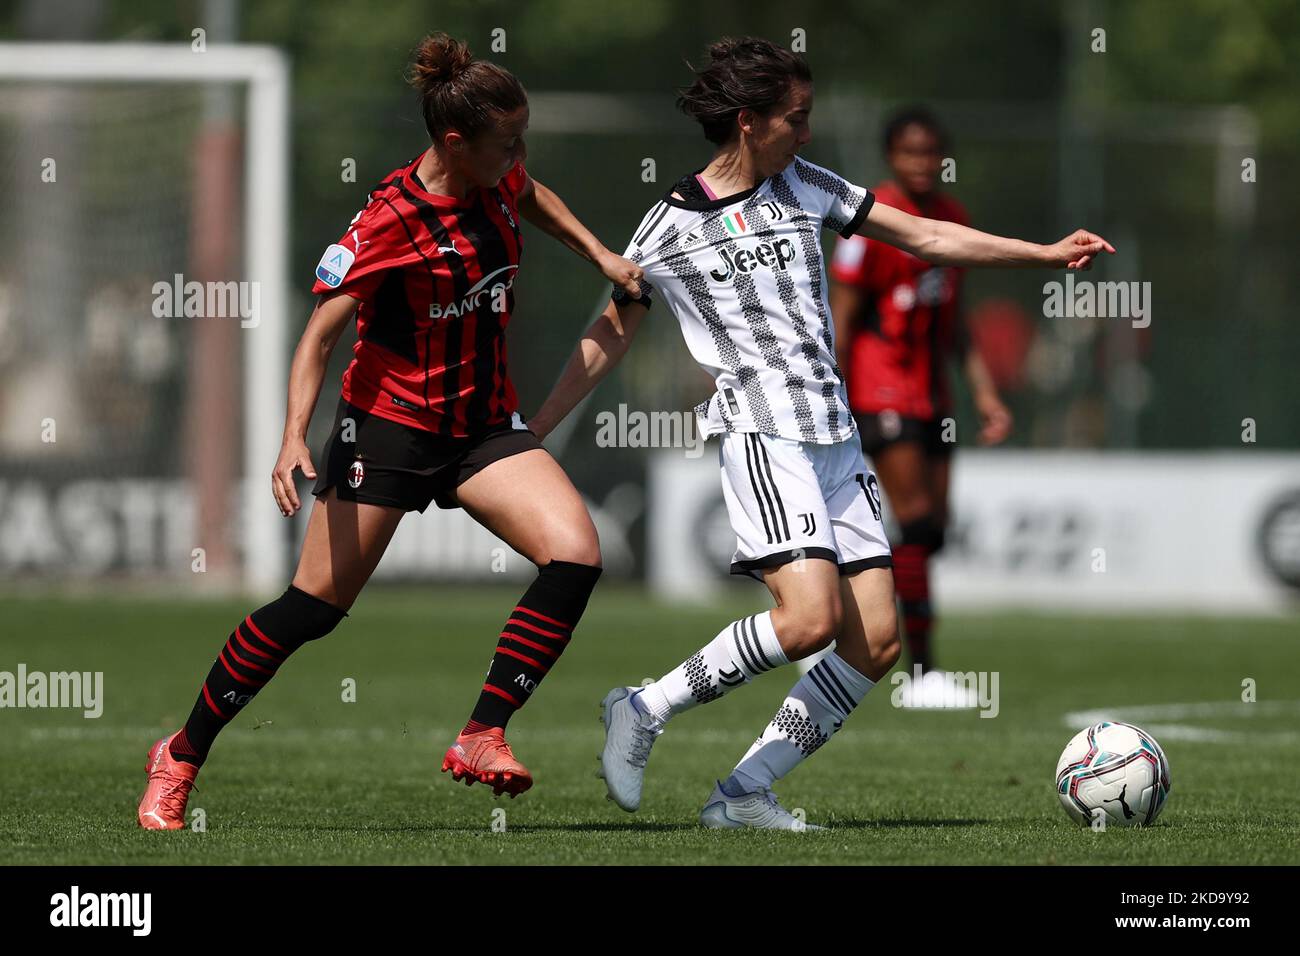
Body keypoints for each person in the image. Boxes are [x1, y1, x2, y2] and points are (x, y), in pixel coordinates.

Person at [527, 36, 1112, 829]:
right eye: (794, 120)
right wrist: (537, 430)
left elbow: (925, 237)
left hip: (836, 440)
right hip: (765, 437)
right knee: (808, 622)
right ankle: (642, 708)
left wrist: (1041, 254)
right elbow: (612, 333)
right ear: (747, 122)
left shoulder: (804, 184)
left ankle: (742, 795)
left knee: (875, 642)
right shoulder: (670, 226)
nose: (806, 135)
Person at [137, 32, 644, 830]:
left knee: (576, 553)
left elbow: (532, 192)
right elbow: (318, 336)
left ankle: (482, 733)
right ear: (453, 142)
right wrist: (293, 435)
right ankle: (181, 753)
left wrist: (601, 256)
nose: (519, 156)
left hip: (480, 429)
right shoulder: (389, 219)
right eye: (507, 142)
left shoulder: (500, 177)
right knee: (310, 610)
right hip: (389, 432)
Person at [828, 106, 1013, 708]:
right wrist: (829, 388)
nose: (922, 163)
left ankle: (842, 603)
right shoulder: (873, 218)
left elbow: (954, 322)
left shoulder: (952, 218)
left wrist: (983, 391)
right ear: (891, 157)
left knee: (930, 530)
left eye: (931, 152)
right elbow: (845, 314)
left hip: (935, 394)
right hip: (880, 390)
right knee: (913, 518)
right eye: (910, 152)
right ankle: (922, 673)